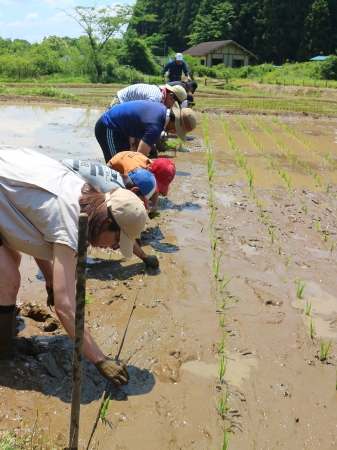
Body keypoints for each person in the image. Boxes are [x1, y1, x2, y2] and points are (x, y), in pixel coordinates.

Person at [0, 145, 147, 387]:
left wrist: (50, 277)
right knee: (7, 277)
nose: (113, 248)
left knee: (11, 262)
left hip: (7, 186)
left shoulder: (84, 196)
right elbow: (64, 307)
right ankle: (3, 357)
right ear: (108, 222)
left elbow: (35, 228)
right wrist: (99, 359)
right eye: (118, 240)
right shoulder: (72, 221)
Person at [60, 159, 159, 268]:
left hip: (63, 170)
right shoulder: (114, 192)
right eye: (140, 200)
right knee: (91, 227)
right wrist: (145, 258)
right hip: (60, 180)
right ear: (134, 191)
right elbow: (120, 228)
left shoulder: (118, 179)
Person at [95, 101, 197, 161]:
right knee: (117, 167)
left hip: (120, 131)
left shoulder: (161, 109)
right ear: (175, 124)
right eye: (177, 131)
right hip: (108, 127)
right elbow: (139, 159)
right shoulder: (155, 127)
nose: (174, 133)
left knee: (125, 163)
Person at [108, 152, 176, 213]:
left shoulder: (154, 166)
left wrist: (155, 206)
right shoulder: (134, 170)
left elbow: (155, 187)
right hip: (113, 168)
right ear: (149, 170)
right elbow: (129, 191)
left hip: (130, 160)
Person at [109, 83, 187, 109]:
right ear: (171, 95)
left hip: (125, 106)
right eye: (174, 104)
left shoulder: (163, 92)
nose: (171, 107)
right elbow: (144, 118)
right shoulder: (155, 98)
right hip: (119, 103)